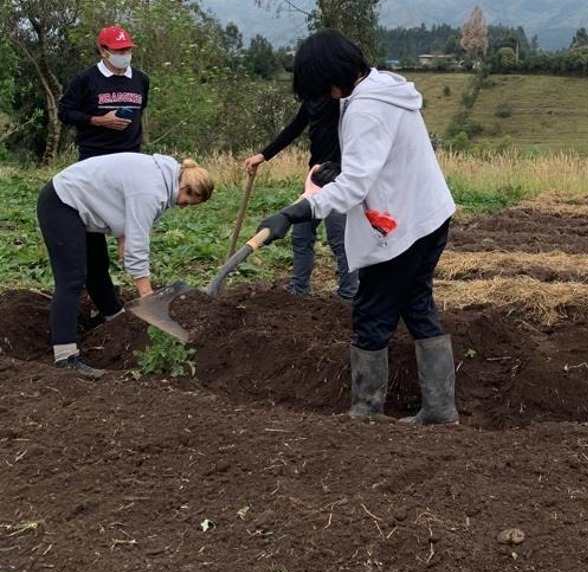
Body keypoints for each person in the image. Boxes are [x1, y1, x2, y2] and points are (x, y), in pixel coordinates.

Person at [255, 29, 458, 424]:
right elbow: (376, 161)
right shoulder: (386, 87)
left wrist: (298, 211)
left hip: (403, 228)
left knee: (371, 313)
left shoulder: (365, 108)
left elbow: (355, 186)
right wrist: (339, 170)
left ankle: (365, 413)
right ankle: (439, 410)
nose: (325, 96)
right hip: (427, 216)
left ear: (332, 74)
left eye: (321, 87)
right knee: (416, 304)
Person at [36, 153, 215, 378]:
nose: (183, 207)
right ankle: (65, 356)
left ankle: (117, 322)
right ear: (186, 187)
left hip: (83, 205)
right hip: (62, 203)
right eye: (187, 202)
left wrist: (123, 235)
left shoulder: (164, 177)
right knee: (71, 279)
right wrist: (147, 295)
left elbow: (123, 200)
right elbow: (138, 244)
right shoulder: (152, 189)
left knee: (97, 270)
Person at [243, 97, 357, 301]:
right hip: (315, 179)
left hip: (340, 179)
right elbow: (294, 128)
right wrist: (263, 155)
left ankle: (348, 295)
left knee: (339, 238)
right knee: (301, 235)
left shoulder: (345, 100)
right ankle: (298, 290)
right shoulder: (312, 101)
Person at [58, 25, 150, 160]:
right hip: (94, 156)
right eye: (119, 50)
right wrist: (99, 121)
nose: (125, 54)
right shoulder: (85, 79)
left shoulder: (141, 79)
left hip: (131, 156)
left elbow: (140, 110)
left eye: (128, 49)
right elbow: (65, 113)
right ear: (103, 51)